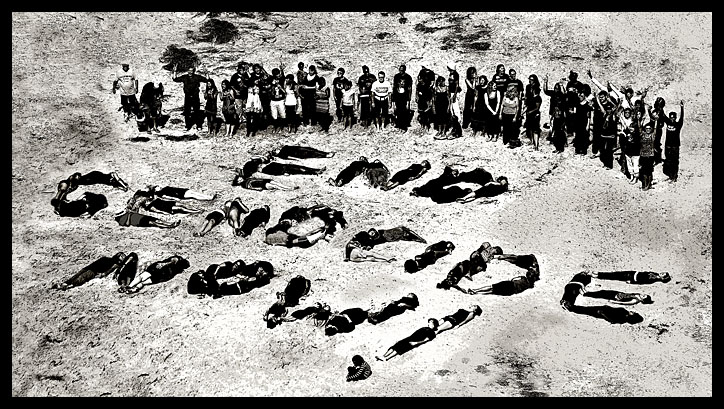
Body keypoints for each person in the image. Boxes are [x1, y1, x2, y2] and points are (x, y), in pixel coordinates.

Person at [51, 252, 126, 290]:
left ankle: (65, 284)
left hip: (89, 268)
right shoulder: (114, 264)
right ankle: (66, 285)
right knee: (80, 279)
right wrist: (102, 275)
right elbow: (106, 273)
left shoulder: (105, 258)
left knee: (77, 276)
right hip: (93, 271)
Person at [119, 255, 190, 294]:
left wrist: (162, 264)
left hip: (158, 268)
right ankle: (134, 289)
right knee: (144, 283)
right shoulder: (179, 270)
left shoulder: (177, 258)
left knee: (142, 277)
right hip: (165, 276)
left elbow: (171, 261)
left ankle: (129, 286)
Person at [171, 64, 208, 132]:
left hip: (195, 96)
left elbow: (207, 80)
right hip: (187, 96)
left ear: (194, 71)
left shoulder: (197, 77)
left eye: (192, 71)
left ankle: (199, 125)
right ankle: (187, 126)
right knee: (187, 112)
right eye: (189, 70)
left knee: (197, 111)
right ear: (187, 71)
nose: (190, 72)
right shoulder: (184, 77)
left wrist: (206, 73)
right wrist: (175, 71)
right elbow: (175, 79)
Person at [593, 92, 620, 168]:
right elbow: (602, 109)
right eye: (608, 109)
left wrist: (610, 101)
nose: (609, 110)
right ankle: (605, 163)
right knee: (603, 149)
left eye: (610, 109)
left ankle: (609, 165)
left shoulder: (613, 116)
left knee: (609, 150)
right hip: (604, 133)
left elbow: (616, 107)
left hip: (610, 135)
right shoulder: (605, 114)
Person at [240, 155, 326, 179]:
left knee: (296, 168)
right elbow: (260, 160)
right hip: (273, 168)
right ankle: (315, 171)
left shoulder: (248, 167)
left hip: (273, 167)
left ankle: (315, 171)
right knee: (296, 169)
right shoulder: (248, 167)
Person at [662, 101, 684, 182]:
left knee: (674, 161)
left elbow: (682, 117)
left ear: (675, 118)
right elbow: (663, 115)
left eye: (673, 117)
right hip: (668, 145)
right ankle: (670, 175)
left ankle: (674, 176)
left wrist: (682, 107)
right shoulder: (668, 122)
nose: (672, 119)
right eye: (670, 117)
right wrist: (661, 107)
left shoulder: (678, 124)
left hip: (675, 146)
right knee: (668, 161)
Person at [568, 304, 644, 325]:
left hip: (600, 312)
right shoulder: (625, 312)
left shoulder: (622, 319)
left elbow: (611, 320)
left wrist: (602, 314)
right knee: (586, 309)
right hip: (603, 309)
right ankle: (572, 307)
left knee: (586, 311)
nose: (633, 312)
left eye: (634, 313)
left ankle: (571, 308)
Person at [572, 85, 593, 155]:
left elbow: (589, 116)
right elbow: (575, 113)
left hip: (584, 123)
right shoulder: (577, 104)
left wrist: (588, 125)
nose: (580, 96)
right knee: (577, 136)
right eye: (579, 95)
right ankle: (577, 150)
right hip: (577, 122)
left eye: (582, 95)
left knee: (584, 137)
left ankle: (583, 150)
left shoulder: (587, 105)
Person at [392, 64, 413, 131]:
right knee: (398, 111)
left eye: (402, 70)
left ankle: (404, 126)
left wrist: (409, 99)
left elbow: (410, 88)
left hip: (404, 97)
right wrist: (393, 98)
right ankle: (398, 125)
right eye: (400, 70)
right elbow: (394, 87)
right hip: (398, 96)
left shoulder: (408, 77)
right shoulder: (396, 76)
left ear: (404, 70)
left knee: (404, 111)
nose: (401, 71)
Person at [524, 77, 542, 150]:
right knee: (530, 128)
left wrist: (529, 111)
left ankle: (536, 145)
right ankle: (533, 143)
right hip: (530, 113)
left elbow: (537, 108)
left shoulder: (538, 98)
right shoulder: (530, 96)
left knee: (535, 129)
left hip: (534, 114)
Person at [638, 121, 657, 190]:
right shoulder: (642, 134)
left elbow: (655, 128)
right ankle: (644, 184)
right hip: (643, 155)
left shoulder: (652, 135)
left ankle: (648, 184)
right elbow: (639, 127)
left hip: (650, 156)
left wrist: (656, 121)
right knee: (643, 171)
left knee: (649, 171)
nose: (648, 130)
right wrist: (639, 120)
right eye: (646, 128)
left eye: (649, 128)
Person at [415, 67, 435, 133]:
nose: (419, 79)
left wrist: (429, 103)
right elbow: (417, 91)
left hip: (426, 101)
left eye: (420, 79)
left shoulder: (427, 87)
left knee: (426, 113)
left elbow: (429, 96)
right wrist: (416, 97)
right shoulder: (419, 85)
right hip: (421, 100)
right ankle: (422, 126)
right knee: (421, 113)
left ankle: (427, 126)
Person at [149, 185, 216, 201]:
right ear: (155, 190)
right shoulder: (161, 193)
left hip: (181, 191)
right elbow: (168, 197)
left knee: (195, 193)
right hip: (179, 194)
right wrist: (175, 199)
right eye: (157, 187)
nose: (159, 186)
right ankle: (208, 198)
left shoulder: (163, 189)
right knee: (194, 195)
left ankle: (208, 197)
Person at [583, 290, 653, 305]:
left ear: (643, 300)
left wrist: (613, 302)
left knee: (601, 295)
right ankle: (587, 292)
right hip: (618, 293)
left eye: (644, 296)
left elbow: (623, 303)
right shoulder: (637, 294)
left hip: (615, 297)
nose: (643, 294)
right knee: (602, 291)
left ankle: (585, 294)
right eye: (644, 294)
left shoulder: (634, 301)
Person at [594, 270, 672, 284]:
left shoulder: (652, 280)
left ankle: (598, 276)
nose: (662, 273)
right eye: (663, 273)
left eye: (663, 275)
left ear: (662, 278)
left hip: (631, 278)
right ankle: (599, 274)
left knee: (615, 277)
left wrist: (631, 282)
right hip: (633, 273)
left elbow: (641, 282)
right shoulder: (655, 273)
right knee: (616, 273)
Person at [462, 66, 478, 131]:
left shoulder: (477, 79)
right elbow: (472, 87)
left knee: (474, 109)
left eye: (474, 73)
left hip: (475, 95)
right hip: (469, 95)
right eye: (472, 73)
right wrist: (474, 80)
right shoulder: (467, 79)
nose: (473, 74)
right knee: (467, 109)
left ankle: (473, 124)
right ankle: (465, 124)